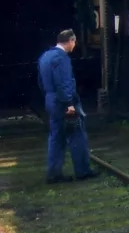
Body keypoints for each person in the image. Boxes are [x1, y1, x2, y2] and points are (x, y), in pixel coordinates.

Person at [37, 29, 98, 184]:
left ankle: (53, 173)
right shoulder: (61, 58)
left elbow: (41, 82)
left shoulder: (45, 56)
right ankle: (83, 171)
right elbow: (63, 83)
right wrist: (69, 104)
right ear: (71, 41)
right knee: (77, 135)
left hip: (50, 99)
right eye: (74, 42)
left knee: (56, 137)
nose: (74, 46)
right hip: (63, 101)